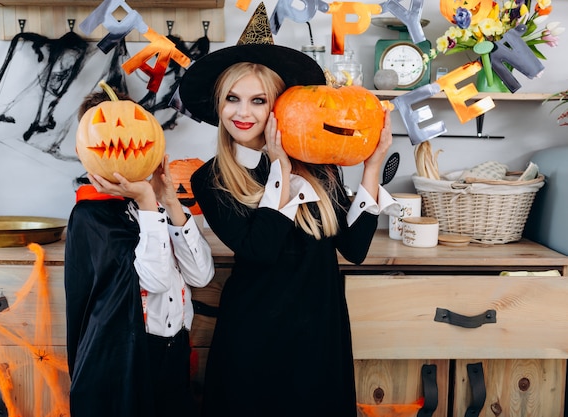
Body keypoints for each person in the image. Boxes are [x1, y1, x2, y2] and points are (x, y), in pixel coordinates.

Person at [177, 5, 399, 417]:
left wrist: (372, 166)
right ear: (219, 104)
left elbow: (354, 248)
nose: (243, 114)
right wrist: (279, 168)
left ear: (280, 106)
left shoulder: (319, 162)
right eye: (233, 99)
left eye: (258, 101)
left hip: (319, 330)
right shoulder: (210, 179)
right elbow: (262, 249)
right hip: (254, 333)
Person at [65, 89, 215, 417]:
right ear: (86, 150)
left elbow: (201, 275)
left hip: (175, 350)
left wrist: (168, 200)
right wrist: (148, 202)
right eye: (108, 133)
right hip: (131, 359)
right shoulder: (92, 216)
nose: (123, 142)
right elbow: (157, 280)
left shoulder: (157, 207)